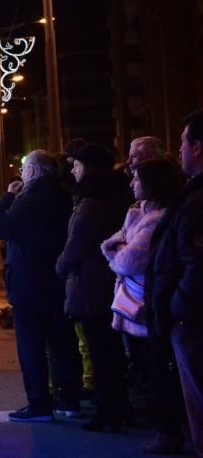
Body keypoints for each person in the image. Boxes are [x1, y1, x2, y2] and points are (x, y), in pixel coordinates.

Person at [101, 158, 186, 453]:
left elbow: (125, 258)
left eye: (136, 179)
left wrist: (116, 250)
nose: (131, 183)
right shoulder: (139, 214)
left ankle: (169, 429)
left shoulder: (155, 219)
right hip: (145, 300)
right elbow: (117, 243)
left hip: (151, 302)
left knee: (159, 366)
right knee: (151, 364)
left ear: (151, 184)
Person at [0, 149, 82, 422]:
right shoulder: (64, 195)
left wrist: (7, 196)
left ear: (32, 171)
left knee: (31, 345)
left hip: (28, 280)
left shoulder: (27, 200)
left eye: (23, 170)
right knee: (62, 341)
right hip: (57, 278)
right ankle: (69, 399)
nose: (21, 174)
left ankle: (39, 402)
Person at [56, 143, 133, 431]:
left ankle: (108, 411)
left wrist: (60, 266)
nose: (73, 171)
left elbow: (76, 244)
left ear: (89, 168)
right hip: (110, 280)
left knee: (100, 351)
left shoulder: (90, 203)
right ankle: (120, 406)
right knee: (110, 350)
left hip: (91, 283)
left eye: (77, 165)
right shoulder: (118, 195)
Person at [148, 110, 203, 455]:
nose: (178, 149)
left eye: (183, 142)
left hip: (193, 318)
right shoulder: (192, 194)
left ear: (197, 147)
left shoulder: (196, 200)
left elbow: (196, 262)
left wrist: (178, 307)